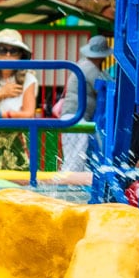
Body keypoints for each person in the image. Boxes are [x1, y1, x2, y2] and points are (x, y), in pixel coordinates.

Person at [0, 28, 39, 170]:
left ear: (21, 55)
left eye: (13, 51)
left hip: (15, 143)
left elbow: (28, 115)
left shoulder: (28, 79)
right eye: (2, 50)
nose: (7, 55)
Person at [56, 34, 110, 173]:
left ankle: (65, 187)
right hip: (76, 118)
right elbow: (105, 86)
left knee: (74, 158)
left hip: (71, 116)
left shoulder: (83, 65)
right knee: (75, 160)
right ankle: (64, 190)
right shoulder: (90, 69)